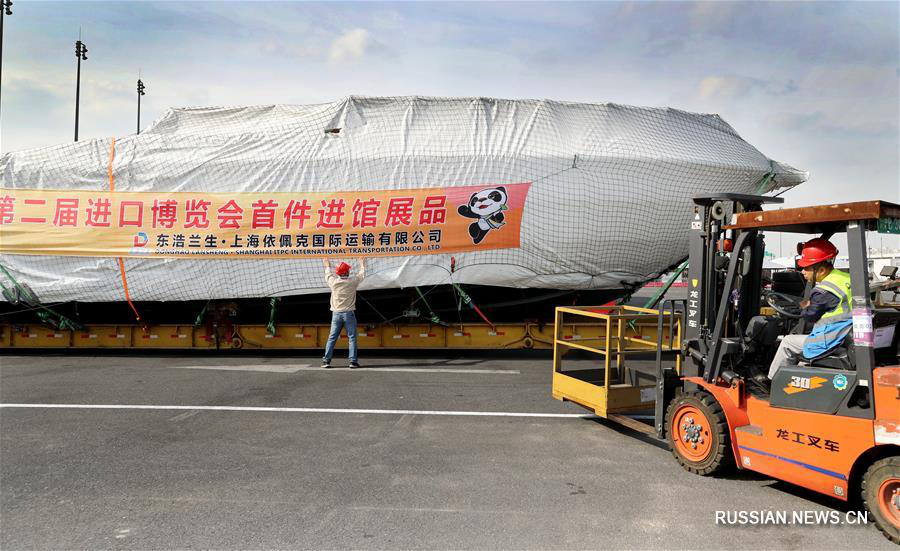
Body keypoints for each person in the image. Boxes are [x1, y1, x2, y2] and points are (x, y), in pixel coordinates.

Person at [767, 238, 852, 379]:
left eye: (807, 268)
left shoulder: (824, 290)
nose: (802, 271)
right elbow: (823, 305)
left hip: (831, 338)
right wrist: (802, 303)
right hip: (845, 333)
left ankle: (772, 381)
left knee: (787, 342)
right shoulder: (845, 278)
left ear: (822, 270)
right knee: (800, 359)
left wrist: (800, 308)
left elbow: (809, 316)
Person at [321, 258, 366, 368]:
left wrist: (327, 265)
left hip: (336, 314)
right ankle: (353, 361)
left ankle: (326, 361)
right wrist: (362, 264)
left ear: (337, 273)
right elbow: (362, 275)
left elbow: (328, 274)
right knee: (352, 337)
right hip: (349, 313)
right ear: (348, 272)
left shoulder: (334, 283)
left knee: (332, 338)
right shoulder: (352, 282)